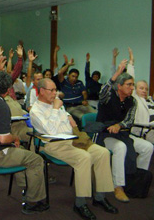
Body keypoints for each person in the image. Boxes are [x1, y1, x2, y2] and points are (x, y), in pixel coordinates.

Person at [31, 78, 117, 220]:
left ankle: (100, 197)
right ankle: (80, 203)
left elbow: (67, 121)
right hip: (54, 144)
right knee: (84, 158)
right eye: (51, 90)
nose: (55, 93)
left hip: (74, 140)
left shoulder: (57, 103)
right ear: (41, 91)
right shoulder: (36, 110)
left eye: (55, 90)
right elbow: (51, 131)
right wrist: (55, 109)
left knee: (103, 152)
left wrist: (67, 114)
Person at [0, 57, 48, 215]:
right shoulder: (1, 106)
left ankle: (25, 187)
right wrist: (14, 137)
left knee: (20, 150)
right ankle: (33, 202)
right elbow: (2, 139)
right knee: (36, 160)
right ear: (7, 91)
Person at [96, 59, 154, 203]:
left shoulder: (131, 101)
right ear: (119, 86)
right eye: (129, 85)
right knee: (121, 148)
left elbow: (129, 120)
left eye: (133, 85)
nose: (132, 88)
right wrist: (117, 72)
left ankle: (135, 180)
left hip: (122, 133)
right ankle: (118, 186)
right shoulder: (108, 97)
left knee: (148, 147)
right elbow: (103, 92)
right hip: (104, 134)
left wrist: (119, 126)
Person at [126, 47, 154, 143]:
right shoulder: (135, 98)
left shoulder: (150, 100)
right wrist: (131, 63)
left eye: (146, 89)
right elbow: (130, 79)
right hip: (146, 130)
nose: (144, 91)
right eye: (141, 88)